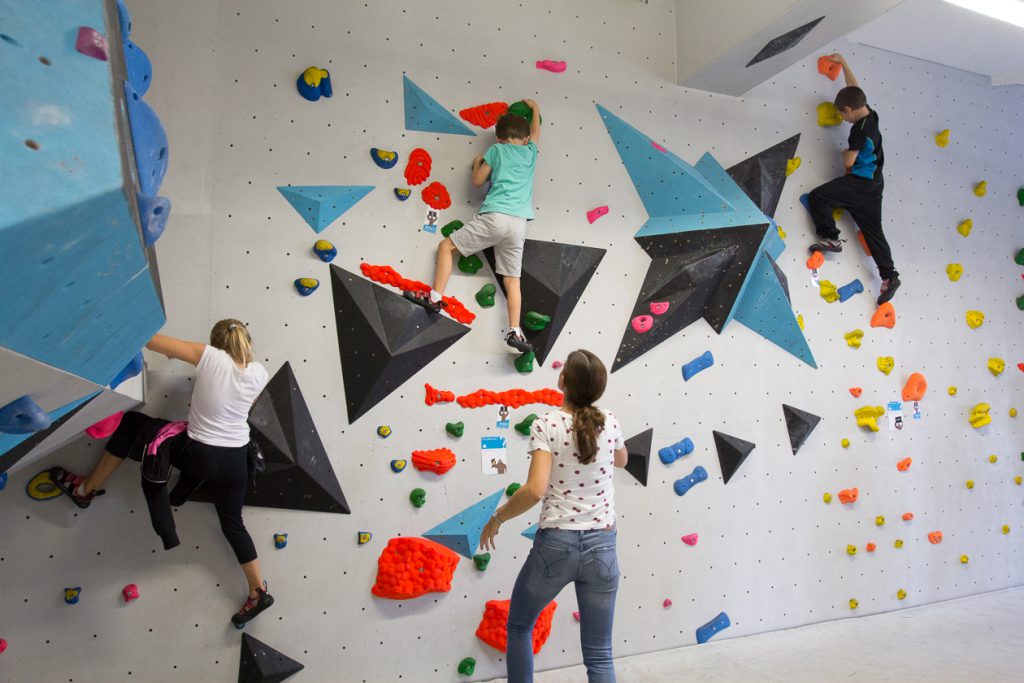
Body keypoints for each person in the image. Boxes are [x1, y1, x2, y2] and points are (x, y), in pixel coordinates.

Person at [50, 320, 274, 626]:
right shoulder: (259, 373)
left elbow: (151, 340)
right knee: (233, 523)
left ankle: (84, 490)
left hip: (201, 455)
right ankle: (257, 589)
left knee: (132, 425)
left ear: (216, 341)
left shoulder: (209, 355)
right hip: (237, 460)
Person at [480, 349, 628, 683]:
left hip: (555, 546)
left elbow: (535, 490)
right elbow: (622, 461)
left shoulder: (546, 424)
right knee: (600, 653)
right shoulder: (610, 421)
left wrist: (497, 518)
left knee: (519, 626)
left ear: (563, 381)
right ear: (599, 389)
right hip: (603, 545)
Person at [406, 99, 542, 353]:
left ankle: (435, 298)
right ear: (524, 139)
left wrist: (479, 162)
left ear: (500, 138)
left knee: (446, 247)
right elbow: (536, 132)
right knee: (513, 281)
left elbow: (478, 181)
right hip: (519, 224)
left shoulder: (496, 150)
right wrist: (535, 109)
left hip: (496, 216)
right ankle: (516, 330)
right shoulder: (531, 152)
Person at [807, 53, 900, 305]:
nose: (843, 119)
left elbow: (849, 162)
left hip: (858, 184)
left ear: (848, 110)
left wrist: (843, 152)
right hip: (875, 185)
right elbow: (853, 89)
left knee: (819, 196)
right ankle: (890, 276)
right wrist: (844, 63)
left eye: (843, 115)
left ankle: (832, 238)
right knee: (873, 232)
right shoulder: (871, 115)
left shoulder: (859, 131)